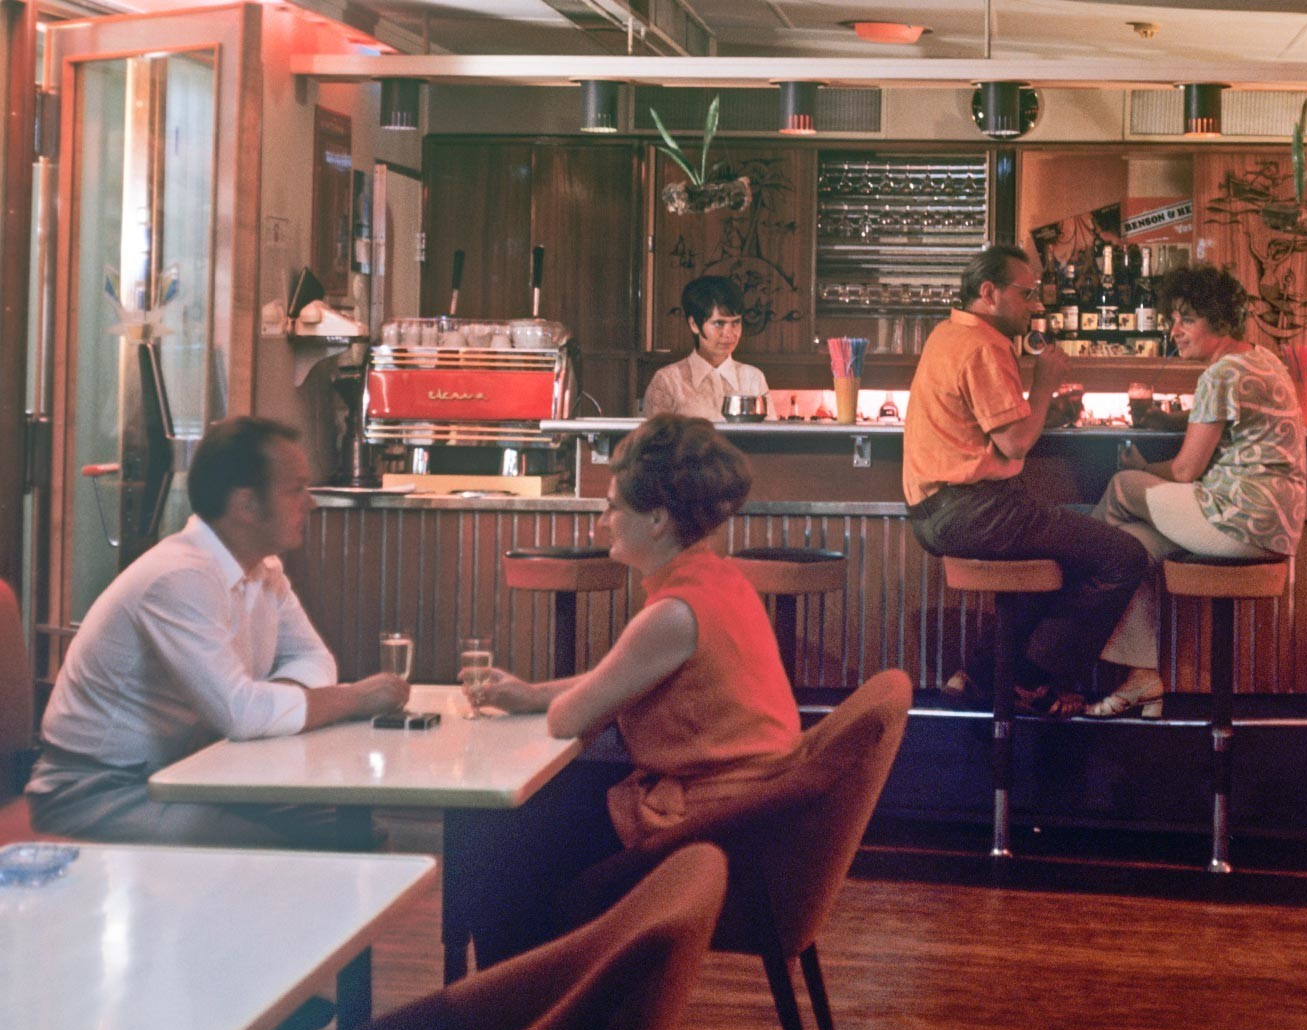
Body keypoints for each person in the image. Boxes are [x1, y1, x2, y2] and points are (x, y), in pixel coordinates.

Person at [462, 414, 800, 962]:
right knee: (525, 823)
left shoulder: (672, 613)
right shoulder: (716, 579)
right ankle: (546, 1003)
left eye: (614, 505)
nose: (602, 521)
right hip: (748, 811)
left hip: (712, 827)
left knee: (496, 843)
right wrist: (528, 694)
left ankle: (519, 1018)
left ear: (658, 519)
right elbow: (621, 679)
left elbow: (568, 721)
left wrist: (547, 704)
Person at [26, 416, 409, 846]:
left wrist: (265, 707)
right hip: (99, 789)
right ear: (246, 505)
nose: (311, 502)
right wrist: (352, 699)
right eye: (295, 489)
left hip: (198, 770)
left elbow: (315, 662)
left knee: (353, 835)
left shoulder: (264, 572)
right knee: (276, 854)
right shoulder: (178, 578)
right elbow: (241, 713)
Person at [902, 244, 1149, 718]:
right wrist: (1044, 381)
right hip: (975, 509)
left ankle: (979, 672)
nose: (1036, 305)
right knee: (1123, 556)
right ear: (989, 292)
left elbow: (995, 428)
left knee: (1064, 559)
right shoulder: (984, 345)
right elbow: (1015, 444)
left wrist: (1046, 408)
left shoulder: (947, 333)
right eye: (1026, 293)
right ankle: (1032, 680)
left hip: (936, 512)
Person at [1087, 265, 1307, 718]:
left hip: (1235, 522)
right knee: (1131, 547)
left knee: (1121, 489)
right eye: (1173, 318)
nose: (1174, 330)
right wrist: (1173, 422)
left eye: (1187, 318)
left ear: (1219, 320)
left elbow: (1187, 470)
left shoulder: (1220, 374)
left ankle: (1066, 629)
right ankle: (1142, 679)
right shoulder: (1264, 360)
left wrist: (1145, 468)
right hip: (1272, 527)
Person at [641, 275, 769, 421]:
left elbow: (771, 438)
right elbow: (655, 440)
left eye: (736, 322)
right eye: (719, 323)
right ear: (694, 324)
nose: (729, 334)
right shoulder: (668, 381)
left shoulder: (753, 378)